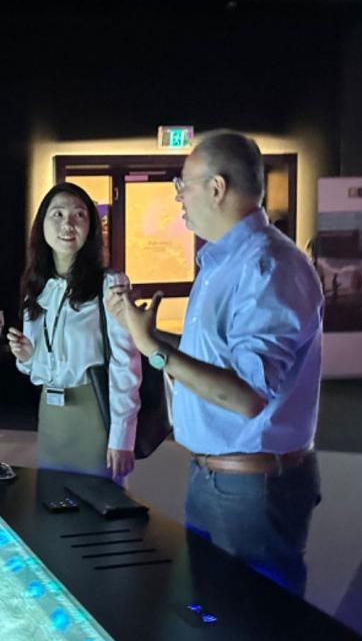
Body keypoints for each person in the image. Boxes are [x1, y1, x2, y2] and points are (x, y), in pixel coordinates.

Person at [107, 130, 324, 595]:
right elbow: (211, 359)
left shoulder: (268, 266)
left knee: (256, 619)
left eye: (182, 185)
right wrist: (142, 333)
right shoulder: (224, 263)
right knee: (214, 610)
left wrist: (154, 349)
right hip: (216, 478)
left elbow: (247, 396)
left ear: (217, 187)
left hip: (253, 487)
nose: (178, 197)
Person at [7, 184, 140, 480]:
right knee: (51, 497)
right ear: (42, 224)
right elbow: (37, 369)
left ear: (91, 226)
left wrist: (122, 436)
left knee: (98, 500)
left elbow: (126, 364)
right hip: (52, 413)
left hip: (94, 411)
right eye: (58, 214)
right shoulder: (36, 286)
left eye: (79, 215)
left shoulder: (110, 284)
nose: (68, 224)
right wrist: (27, 356)